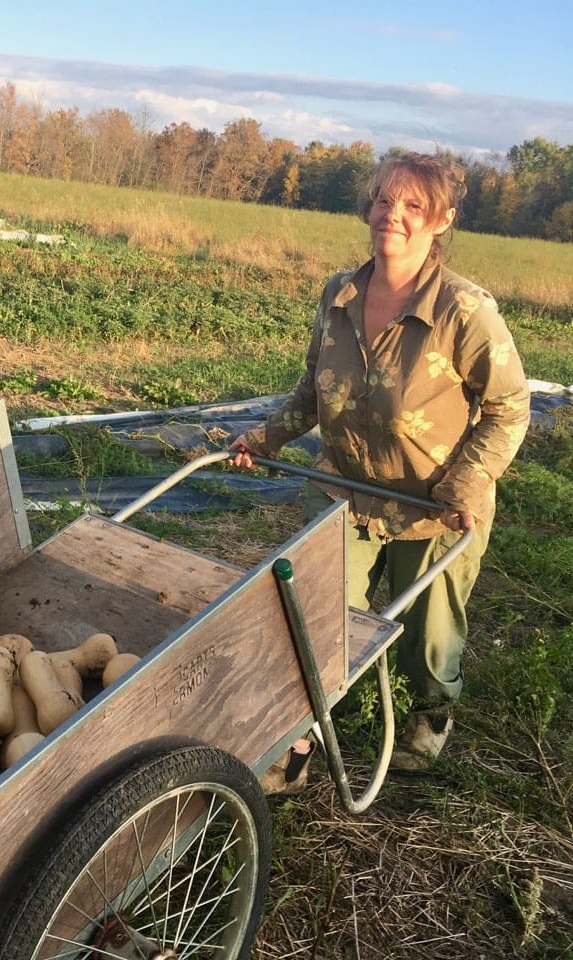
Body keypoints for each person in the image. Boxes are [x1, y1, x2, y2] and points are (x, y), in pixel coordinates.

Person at [231, 152, 530, 772]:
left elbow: (511, 407)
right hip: (344, 489)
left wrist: (468, 480)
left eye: (413, 205)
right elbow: (314, 390)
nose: (392, 215)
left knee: (429, 632)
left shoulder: (464, 311)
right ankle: (300, 735)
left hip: (432, 508)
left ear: (441, 221)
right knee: (313, 616)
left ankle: (429, 711)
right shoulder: (339, 293)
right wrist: (266, 438)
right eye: (383, 200)